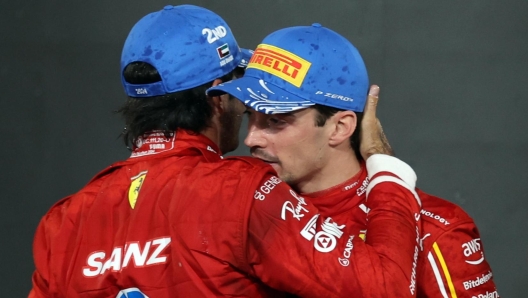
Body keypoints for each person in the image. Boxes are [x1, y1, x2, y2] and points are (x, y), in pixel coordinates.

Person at [29, 5, 422, 298]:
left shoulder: (62, 222)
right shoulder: (240, 190)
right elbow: (385, 286)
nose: (251, 132)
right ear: (218, 96)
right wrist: (383, 166)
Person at [208, 23, 500, 297]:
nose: (252, 139)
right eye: (250, 117)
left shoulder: (436, 231)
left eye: (274, 120)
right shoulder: (238, 212)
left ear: (340, 127)